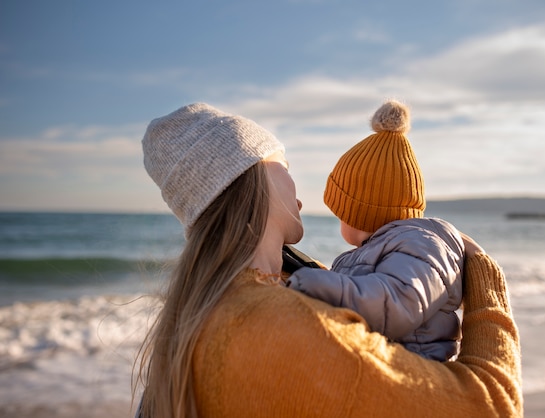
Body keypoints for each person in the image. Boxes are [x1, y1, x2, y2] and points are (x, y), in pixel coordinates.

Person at [134, 102, 523, 417]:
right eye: (283, 168)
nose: (298, 192)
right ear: (252, 177)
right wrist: (484, 275)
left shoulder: (216, 308)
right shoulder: (281, 324)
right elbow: (493, 408)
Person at [287, 100, 463, 361]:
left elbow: (399, 304)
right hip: (388, 364)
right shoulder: (390, 246)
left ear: (360, 214)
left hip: (414, 372)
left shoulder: (421, 243)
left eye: (341, 215)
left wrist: (309, 282)